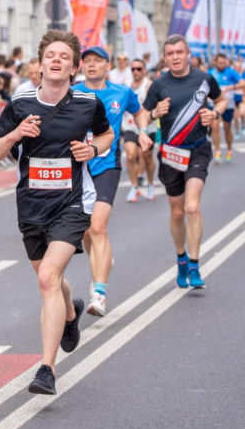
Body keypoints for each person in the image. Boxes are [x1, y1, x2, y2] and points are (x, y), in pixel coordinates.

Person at [0, 31, 112, 396]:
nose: (56, 60)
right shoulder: (20, 103)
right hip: (31, 205)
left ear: (73, 68)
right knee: (50, 279)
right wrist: (16, 135)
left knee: (47, 278)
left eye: (64, 57)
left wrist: (93, 149)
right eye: (50, 55)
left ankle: (46, 369)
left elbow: (105, 136)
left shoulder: (88, 102)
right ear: (40, 65)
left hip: (72, 202)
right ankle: (71, 312)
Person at [136, 35, 224, 289]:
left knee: (192, 206)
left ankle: (195, 265)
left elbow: (221, 100)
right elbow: (143, 115)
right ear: (165, 58)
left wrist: (214, 114)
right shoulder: (159, 84)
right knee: (176, 212)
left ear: (188, 54)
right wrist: (154, 114)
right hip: (170, 154)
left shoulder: (204, 79)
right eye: (170, 53)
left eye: (179, 52)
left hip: (197, 150)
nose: (175, 57)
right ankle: (182, 258)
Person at [72, 47, 141, 317]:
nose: (91, 65)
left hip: (106, 166)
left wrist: (144, 131)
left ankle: (99, 293)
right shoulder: (72, 92)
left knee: (97, 227)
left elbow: (139, 112)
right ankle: (100, 261)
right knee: (86, 231)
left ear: (107, 66)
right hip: (78, 169)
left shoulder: (122, 92)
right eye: (87, 61)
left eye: (97, 61)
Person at [121, 58, 157, 202]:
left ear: (145, 70)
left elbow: (155, 107)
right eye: (133, 69)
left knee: (147, 157)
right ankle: (134, 187)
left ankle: (150, 184)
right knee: (130, 155)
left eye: (139, 69)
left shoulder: (149, 85)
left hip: (147, 128)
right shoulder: (126, 85)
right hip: (129, 126)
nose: (135, 71)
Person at [209, 53, 242, 163]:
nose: (222, 65)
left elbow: (244, 84)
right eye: (220, 63)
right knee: (214, 126)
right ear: (215, 62)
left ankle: (229, 149)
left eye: (224, 63)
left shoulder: (231, 72)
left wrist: (233, 87)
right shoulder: (210, 73)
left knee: (227, 129)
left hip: (228, 104)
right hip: (214, 104)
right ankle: (217, 151)